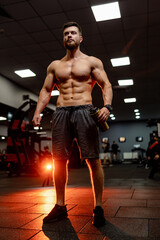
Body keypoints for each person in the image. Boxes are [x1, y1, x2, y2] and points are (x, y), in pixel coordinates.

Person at [32, 21, 113, 227]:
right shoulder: (55, 65)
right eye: (66, 33)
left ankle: (98, 207)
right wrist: (37, 112)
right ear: (63, 38)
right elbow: (45, 91)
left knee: (92, 159)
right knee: (58, 160)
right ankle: (60, 206)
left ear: (80, 38)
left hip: (85, 111)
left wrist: (107, 106)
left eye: (73, 33)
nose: (69, 36)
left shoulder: (92, 62)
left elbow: (106, 84)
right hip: (61, 113)